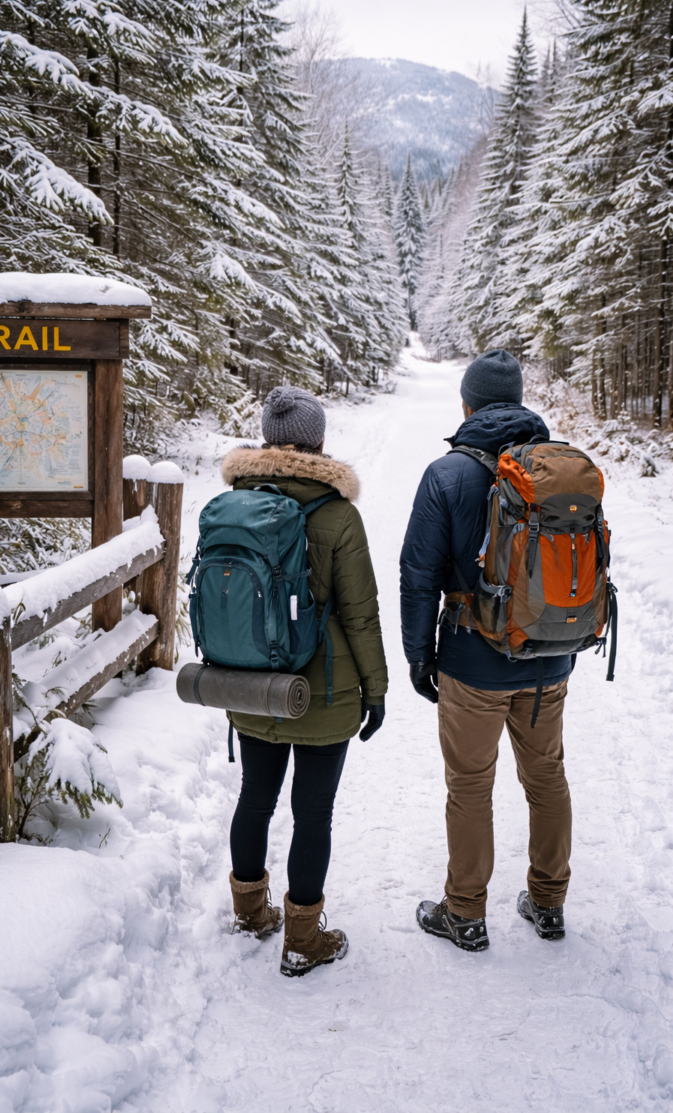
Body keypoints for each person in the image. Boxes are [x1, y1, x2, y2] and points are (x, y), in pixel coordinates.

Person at [400, 349, 573, 952]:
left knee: (470, 787)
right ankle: (549, 903)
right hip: (548, 656)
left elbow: (418, 574)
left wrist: (420, 657)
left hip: (473, 663)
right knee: (546, 775)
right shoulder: (558, 469)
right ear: (521, 400)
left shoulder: (446, 475)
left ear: (467, 404)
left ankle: (465, 914)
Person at [222, 385, 388, 977]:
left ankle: (248, 911)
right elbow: (360, 612)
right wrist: (377, 689)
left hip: (248, 682)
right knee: (313, 813)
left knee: (255, 800)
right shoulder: (339, 514)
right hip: (323, 688)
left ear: (268, 439)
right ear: (318, 441)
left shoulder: (233, 503)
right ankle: (303, 938)